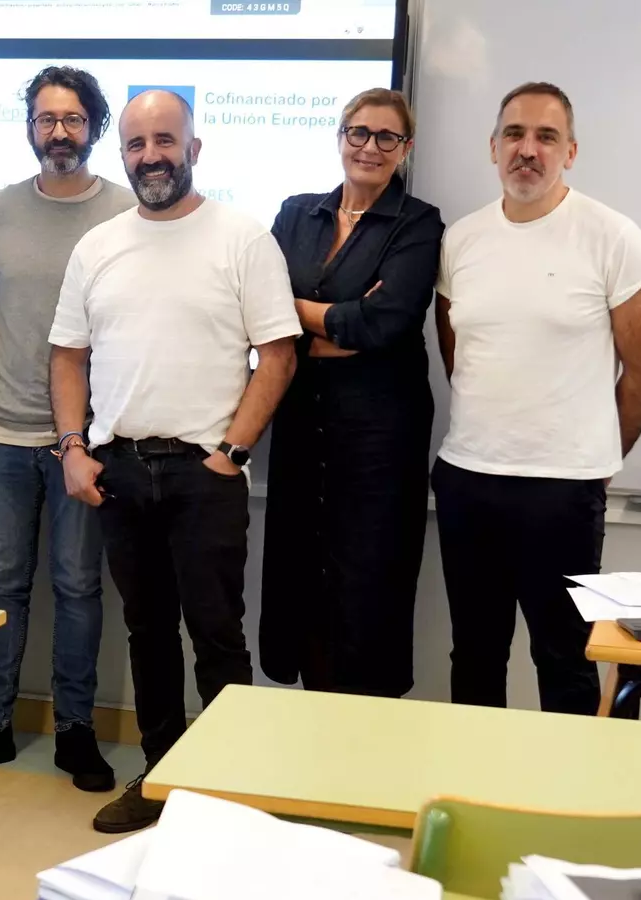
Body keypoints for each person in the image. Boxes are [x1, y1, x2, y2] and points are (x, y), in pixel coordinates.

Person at [49, 91, 300, 833]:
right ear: (122, 154)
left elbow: (278, 355)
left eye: (165, 140)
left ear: (194, 148)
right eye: (136, 144)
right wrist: (72, 449)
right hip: (119, 471)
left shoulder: (242, 238)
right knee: (148, 634)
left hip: (205, 474)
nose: (151, 156)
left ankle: (227, 790)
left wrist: (232, 453)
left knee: (218, 636)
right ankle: (160, 778)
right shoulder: (98, 246)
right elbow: (67, 356)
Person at [434, 82, 641, 715]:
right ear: (493, 147)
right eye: (514, 134)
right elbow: (458, 354)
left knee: (564, 657)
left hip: (563, 491)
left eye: (546, 136)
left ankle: (568, 781)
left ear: (571, 151)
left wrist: (596, 455)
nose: (528, 150)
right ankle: (473, 775)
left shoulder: (612, 237)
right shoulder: (462, 240)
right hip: (467, 479)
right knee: (474, 653)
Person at [0, 66, 132, 791]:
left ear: (94, 127)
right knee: (2, 581)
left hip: (87, 440)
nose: (59, 132)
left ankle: (76, 731)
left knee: (78, 586)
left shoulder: (124, 211)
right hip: (3, 433)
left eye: (72, 119)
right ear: (29, 128)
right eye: (46, 119)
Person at [259, 89, 444, 699]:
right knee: (301, 576)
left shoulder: (418, 223)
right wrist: (336, 321)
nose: (370, 147)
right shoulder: (296, 213)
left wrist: (300, 315)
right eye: (358, 132)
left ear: (405, 148)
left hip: (379, 441)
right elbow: (257, 307)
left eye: (387, 137)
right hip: (301, 426)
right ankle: (312, 727)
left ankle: (364, 734)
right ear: (340, 137)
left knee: (368, 584)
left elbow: (382, 323)